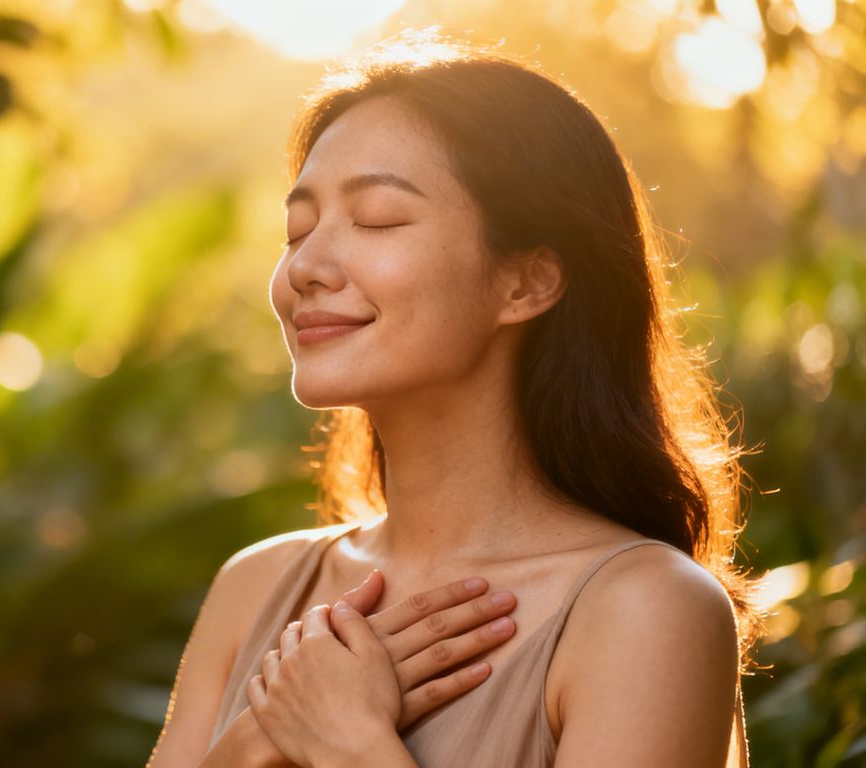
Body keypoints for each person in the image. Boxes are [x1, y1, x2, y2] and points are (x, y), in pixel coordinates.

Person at [147, 30, 764, 768]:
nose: (305, 266)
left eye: (376, 218)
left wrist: (348, 744)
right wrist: (259, 735)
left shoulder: (647, 611)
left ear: (526, 283)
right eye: (298, 229)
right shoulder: (258, 585)